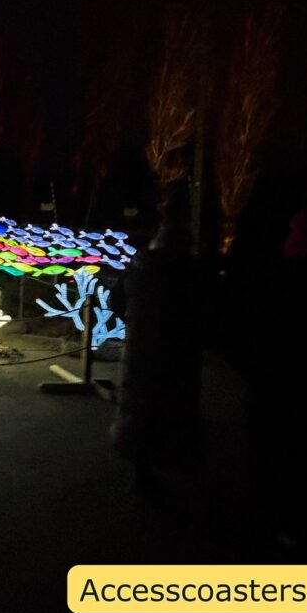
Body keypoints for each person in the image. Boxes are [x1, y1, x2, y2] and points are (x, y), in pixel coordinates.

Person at [110, 189, 203, 487]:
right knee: (171, 402)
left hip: (141, 346)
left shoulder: (140, 264)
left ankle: (141, 466)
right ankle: (173, 461)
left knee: (140, 403)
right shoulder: (190, 270)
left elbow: (116, 300)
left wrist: (133, 321)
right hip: (177, 349)